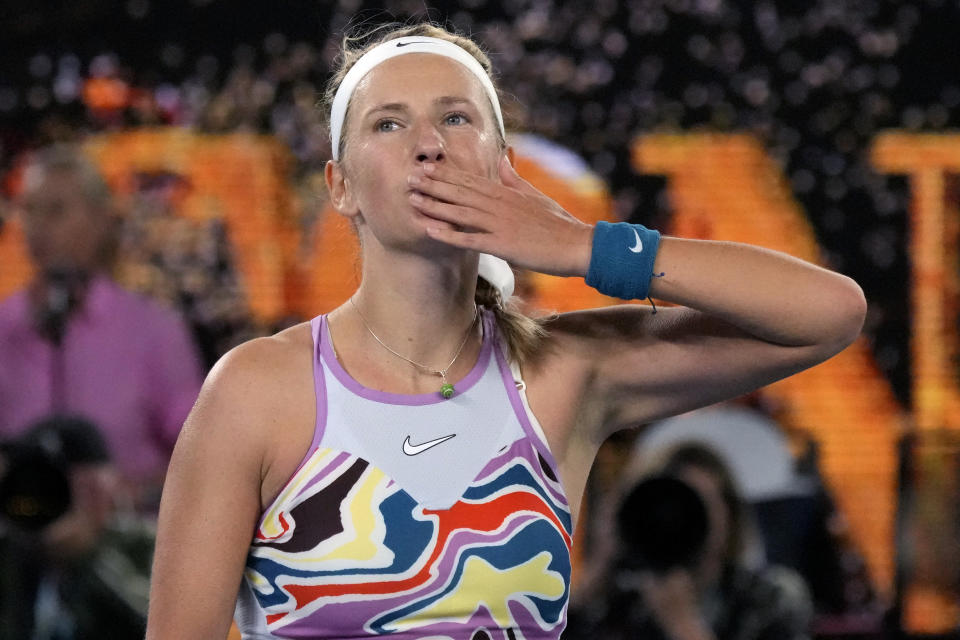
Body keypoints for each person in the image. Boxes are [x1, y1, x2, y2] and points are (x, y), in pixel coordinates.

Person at [145, 22, 867, 640]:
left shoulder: (565, 371)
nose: (428, 145)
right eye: (389, 123)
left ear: (503, 166)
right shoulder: (259, 389)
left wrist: (587, 248)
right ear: (341, 185)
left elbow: (827, 314)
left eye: (456, 119)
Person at [0, 145, 204, 507]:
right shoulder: (5, 327)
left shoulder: (153, 331)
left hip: (127, 549)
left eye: (57, 210)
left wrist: (122, 496)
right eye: (29, 210)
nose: (37, 226)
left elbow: (205, 459)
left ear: (99, 219)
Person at [569, 442, 813, 640]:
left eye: (702, 502)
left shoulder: (769, 599)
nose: (683, 518)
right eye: (673, 505)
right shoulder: (622, 604)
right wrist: (597, 573)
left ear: (730, 514)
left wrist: (684, 627)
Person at [0, 414, 155, 639]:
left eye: (85, 489)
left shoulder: (146, 547)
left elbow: (157, 625)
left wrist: (87, 556)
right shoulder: (12, 553)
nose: (64, 501)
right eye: (45, 487)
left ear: (112, 487)